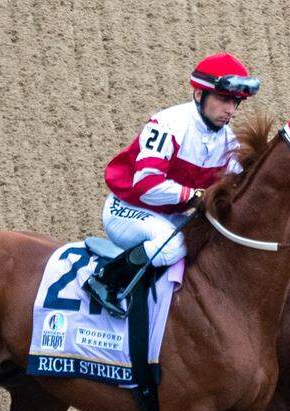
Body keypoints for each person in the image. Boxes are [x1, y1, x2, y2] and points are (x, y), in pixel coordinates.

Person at [86, 52, 260, 313]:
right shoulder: (168, 124)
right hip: (127, 211)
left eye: (236, 103)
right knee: (175, 245)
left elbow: (239, 189)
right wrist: (196, 195)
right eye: (224, 99)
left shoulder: (228, 141)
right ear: (200, 95)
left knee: (212, 238)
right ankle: (106, 280)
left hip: (165, 217)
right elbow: (147, 186)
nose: (230, 111)